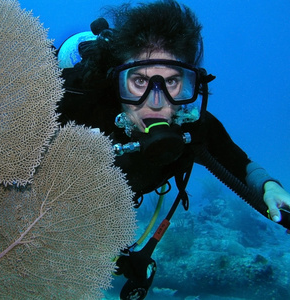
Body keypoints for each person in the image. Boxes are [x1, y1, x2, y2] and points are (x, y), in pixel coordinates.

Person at [56, 1, 290, 299]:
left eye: (173, 82)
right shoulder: (79, 107)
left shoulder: (194, 129)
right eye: (139, 80)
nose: (156, 101)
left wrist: (269, 187)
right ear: (118, 81)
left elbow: (239, 164)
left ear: (191, 84)